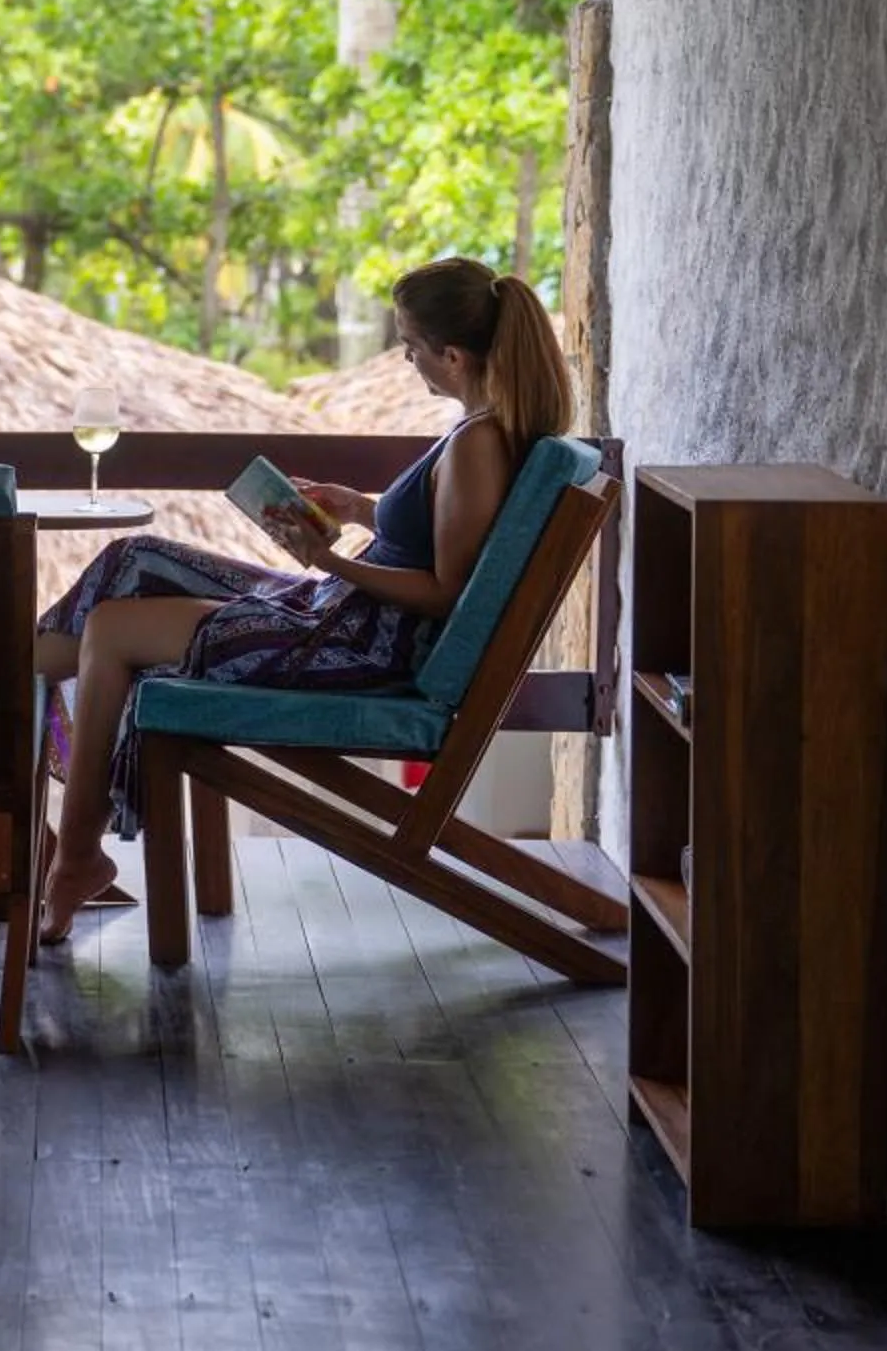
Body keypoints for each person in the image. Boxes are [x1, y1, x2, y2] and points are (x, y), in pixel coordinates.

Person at [32, 256, 573, 945]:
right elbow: (436, 546)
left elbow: (443, 593)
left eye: (410, 345)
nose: (406, 357)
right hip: (340, 616)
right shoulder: (483, 432)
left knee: (110, 631)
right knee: (134, 559)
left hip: (351, 644)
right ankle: (24, 693)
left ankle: (71, 853)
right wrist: (360, 509)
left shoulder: (478, 444)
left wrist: (326, 560)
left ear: (454, 355)